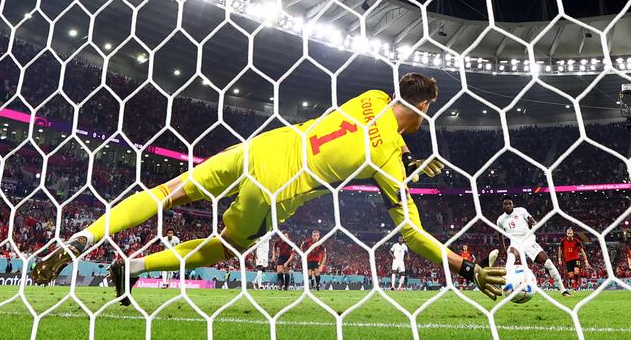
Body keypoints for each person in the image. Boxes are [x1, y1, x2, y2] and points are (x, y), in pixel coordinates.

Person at [31, 73, 506, 305]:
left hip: (262, 145)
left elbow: (371, 136)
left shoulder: (372, 98)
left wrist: (408, 163)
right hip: (277, 188)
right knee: (228, 245)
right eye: (428, 112)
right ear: (423, 107)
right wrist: (465, 269)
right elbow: (411, 233)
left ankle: (89, 240)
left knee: (170, 190)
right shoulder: (389, 159)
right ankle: (136, 265)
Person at [494, 196, 571, 297]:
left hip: (528, 241)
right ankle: (503, 287)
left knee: (548, 264)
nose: (508, 206)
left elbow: (530, 219)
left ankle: (563, 290)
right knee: (509, 263)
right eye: (506, 204)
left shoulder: (521, 210)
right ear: (502, 206)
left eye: (510, 204)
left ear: (513, 204)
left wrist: (535, 223)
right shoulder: (500, 220)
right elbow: (500, 234)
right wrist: (503, 249)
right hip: (515, 243)